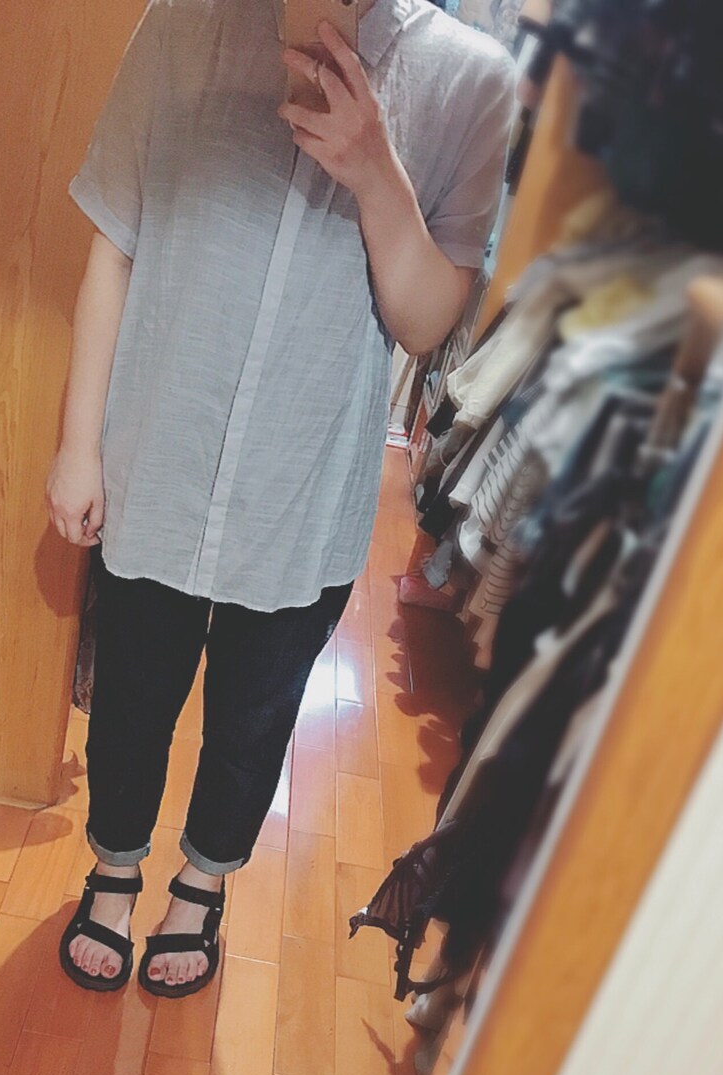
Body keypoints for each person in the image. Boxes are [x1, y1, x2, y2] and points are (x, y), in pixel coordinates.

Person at [46, 0, 514, 998]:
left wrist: (377, 170)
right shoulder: (184, 22)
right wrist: (77, 446)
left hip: (306, 486)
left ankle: (201, 884)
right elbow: (115, 240)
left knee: (253, 717)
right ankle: (114, 865)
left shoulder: (471, 80)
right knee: (130, 695)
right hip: (156, 458)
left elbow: (426, 323)